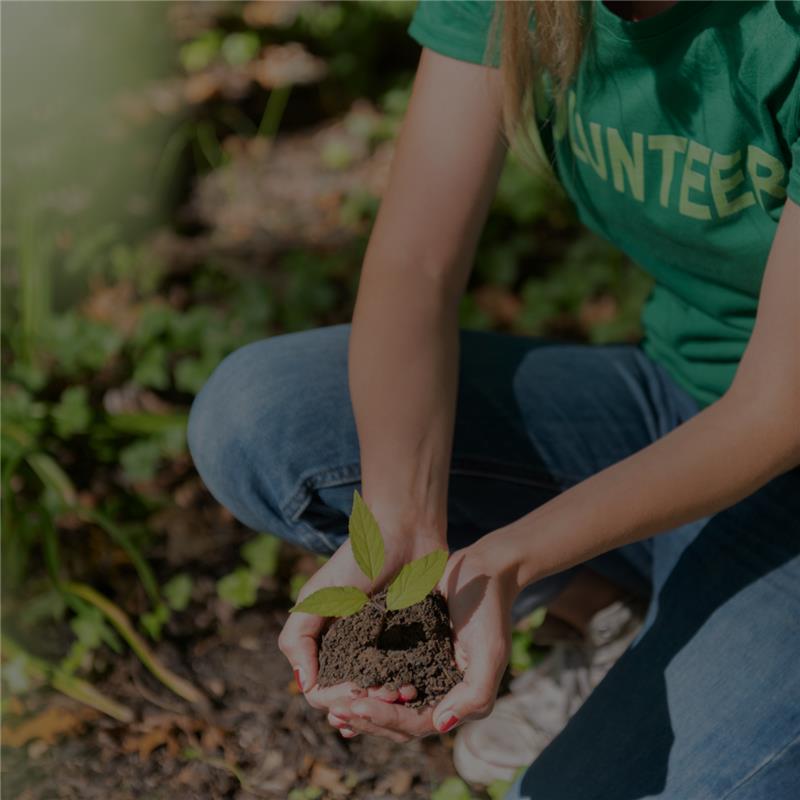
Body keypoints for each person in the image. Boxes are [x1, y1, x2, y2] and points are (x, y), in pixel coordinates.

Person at [188, 0, 800, 796]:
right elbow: (415, 263)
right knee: (259, 413)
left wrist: (508, 558)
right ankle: (613, 614)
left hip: (777, 448)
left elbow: (774, 410)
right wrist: (402, 521)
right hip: (674, 404)